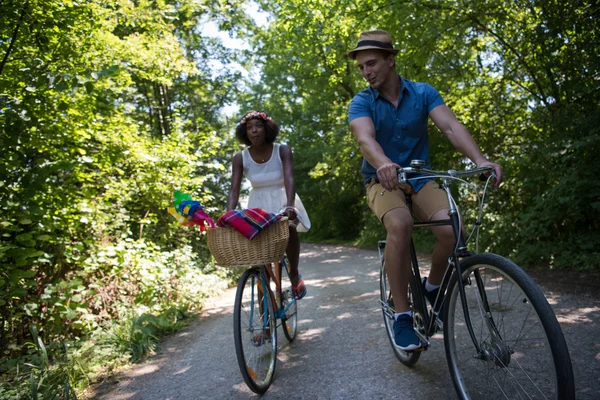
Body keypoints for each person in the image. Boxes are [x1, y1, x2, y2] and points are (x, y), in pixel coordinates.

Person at [347, 30, 502, 350]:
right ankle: (402, 315)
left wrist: (479, 159)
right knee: (400, 224)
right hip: (382, 180)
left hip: (420, 178)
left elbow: (451, 126)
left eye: (372, 63)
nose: (366, 72)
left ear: (391, 60)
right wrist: (383, 164)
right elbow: (365, 139)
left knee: (453, 228)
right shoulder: (362, 101)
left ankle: (432, 286)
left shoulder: (423, 93)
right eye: (361, 67)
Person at [227, 110, 311, 300]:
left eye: (258, 126)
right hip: (257, 206)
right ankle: (266, 324)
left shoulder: (282, 150)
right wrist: (229, 214)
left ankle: (295, 273)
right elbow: (234, 190)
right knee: (260, 263)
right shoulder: (240, 158)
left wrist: (290, 206)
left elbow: (289, 178)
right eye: (249, 128)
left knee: (289, 229)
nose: (254, 131)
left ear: (266, 128)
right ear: (244, 132)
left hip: (283, 199)